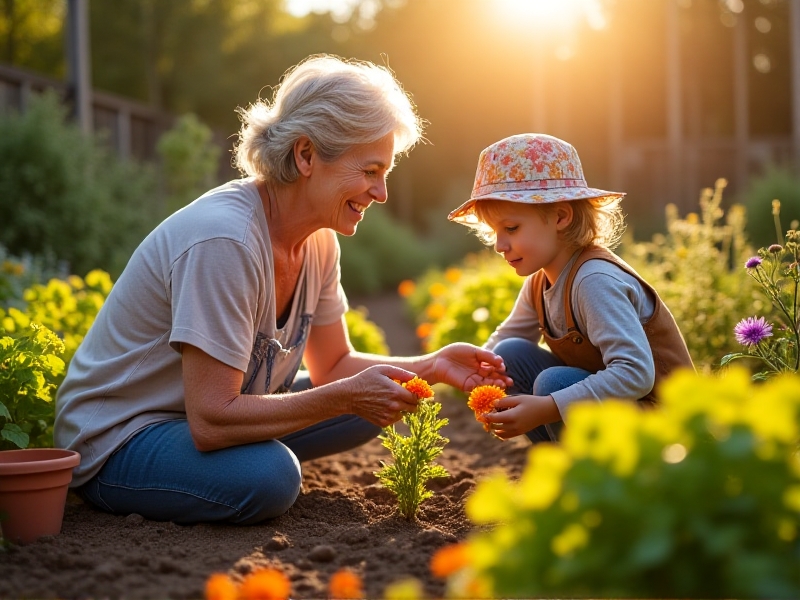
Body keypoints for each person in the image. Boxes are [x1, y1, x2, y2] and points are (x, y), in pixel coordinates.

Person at [54, 55, 509, 525]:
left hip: (193, 420)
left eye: (385, 174)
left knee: (371, 402)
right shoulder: (225, 241)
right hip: (121, 440)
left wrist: (431, 366)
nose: (382, 193)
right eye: (370, 171)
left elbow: (333, 364)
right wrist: (344, 396)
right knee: (272, 476)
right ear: (306, 154)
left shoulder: (320, 242)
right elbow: (211, 419)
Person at [448, 133, 693, 443]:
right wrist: (476, 369)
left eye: (511, 228)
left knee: (554, 384)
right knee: (507, 354)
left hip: (666, 429)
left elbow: (636, 374)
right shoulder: (540, 282)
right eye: (495, 231)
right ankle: (561, 462)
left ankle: (584, 472)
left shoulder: (594, 280)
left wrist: (549, 406)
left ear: (561, 216)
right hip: (619, 416)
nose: (499, 245)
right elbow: (504, 340)